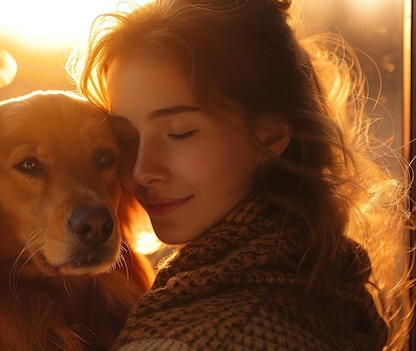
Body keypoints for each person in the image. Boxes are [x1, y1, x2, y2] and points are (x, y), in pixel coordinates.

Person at [67, 0, 413, 350]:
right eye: (127, 139)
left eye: (179, 133)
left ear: (270, 134)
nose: (141, 171)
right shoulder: (318, 284)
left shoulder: (208, 334)